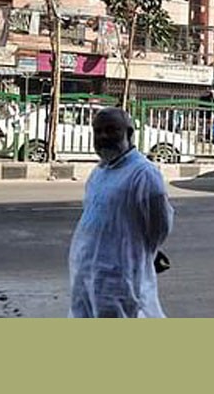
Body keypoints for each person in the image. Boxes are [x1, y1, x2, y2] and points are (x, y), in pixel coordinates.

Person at [68, 107, 174, 318]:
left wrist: (139, 251)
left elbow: (158, 228)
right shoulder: (99, 172)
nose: (103, 137)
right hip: (87, 275)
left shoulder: (143, 174)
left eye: (111, 130)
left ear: (129, 133)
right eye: (98, 132)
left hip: (120, 278)